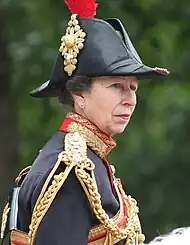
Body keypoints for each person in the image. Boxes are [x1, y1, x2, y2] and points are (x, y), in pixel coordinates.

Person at [0, 0, 170, 244]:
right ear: (79, 95)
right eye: (117, 87)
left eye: (132, 88)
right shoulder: (72, 172)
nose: (130, 99)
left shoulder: (87, 159)